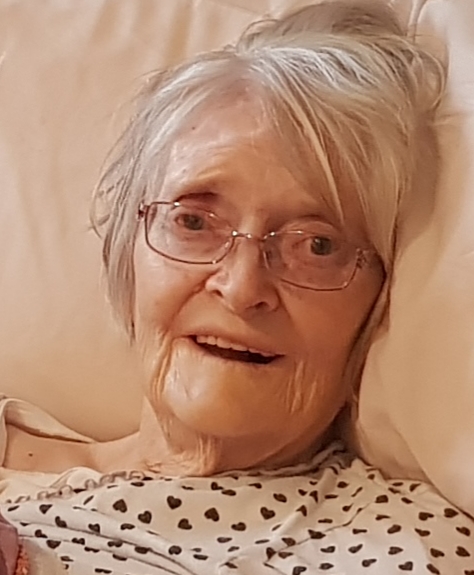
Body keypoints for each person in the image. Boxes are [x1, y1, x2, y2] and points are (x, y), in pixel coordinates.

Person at [1, 1, 472, 574]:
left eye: (317, 245)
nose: (243, 286)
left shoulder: (402, 545)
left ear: (379, 301)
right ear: (126, 248)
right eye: (193, 221)